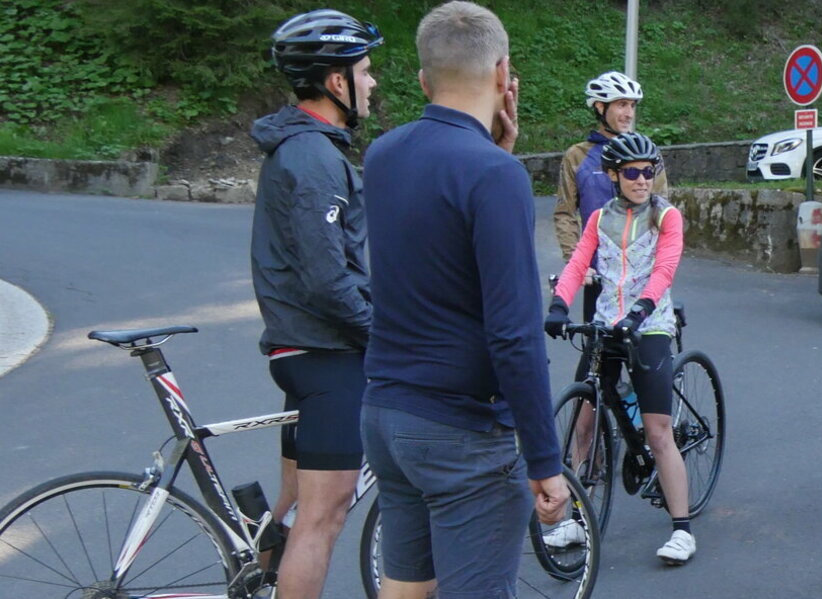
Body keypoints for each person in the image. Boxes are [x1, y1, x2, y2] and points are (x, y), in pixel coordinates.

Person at [359, 3, 567, 597]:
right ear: (504, 74)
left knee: (406, 591)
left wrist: (495, 156)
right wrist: (544, 460)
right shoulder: (493, 177)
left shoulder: (383, 156)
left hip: (389, 415)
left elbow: (436, 249)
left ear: (424, 80)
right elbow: (513, 333)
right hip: (463, 432)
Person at [249, 9, 381, 599]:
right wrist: (383, 332)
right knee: (320, 522)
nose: (373, 82)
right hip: (326, 356)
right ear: (336, 82)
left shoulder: (303, 149)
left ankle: (257, 582)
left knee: (293, 510)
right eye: (366, 70)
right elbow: (329, 280)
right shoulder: (315, 158)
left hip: (300, 350)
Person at [542, 132, 697, 564]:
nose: (643, 179)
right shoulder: (597, 220)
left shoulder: (666, 217)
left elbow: (664, 270)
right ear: (612, 175)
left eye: (649, 172)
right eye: (632, 172)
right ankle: (576, 515)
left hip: (650, 325)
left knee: (657, 431)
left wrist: (642, 310)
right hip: (606, 322)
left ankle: (682, 528)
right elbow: (577, 265)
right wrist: (558, 304)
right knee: (584, 419)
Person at [554, 71, 648, 258]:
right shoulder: (577, 156)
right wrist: (575, 261)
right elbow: (565, 213)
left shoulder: (647, 154)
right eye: (622, 105)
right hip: (595, 267)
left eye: (632, 105)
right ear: (600, 107)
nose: (629, 114)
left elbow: (662, 211)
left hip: (638, 269)